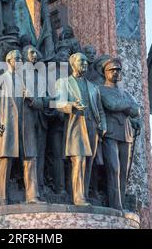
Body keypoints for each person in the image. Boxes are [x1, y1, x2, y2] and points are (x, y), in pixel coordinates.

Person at [0, 50, 44, 205]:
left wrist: (31, 98)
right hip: (7, 127)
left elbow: (40, 104)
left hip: (26, 128)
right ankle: (3, 199)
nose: (19, 61)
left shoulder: (28, 81)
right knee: (5, 162)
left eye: (20, 59)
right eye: (16, 59)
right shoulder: (0, 80)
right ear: (8, 61)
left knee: (30, 160)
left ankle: (32, 196)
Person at [55, 53, 107, 206]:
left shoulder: (93, 87)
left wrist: (102, 124)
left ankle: (83, 193)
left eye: (86, 62)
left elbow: (100, 110)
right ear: (72, 64)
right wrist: (71, 106)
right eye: (81, 61)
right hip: (76, 125)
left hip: (92, 127)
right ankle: (78, 198)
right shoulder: (63, 83)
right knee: (79, 160)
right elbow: (57, 103)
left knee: (89, 163)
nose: (84, 64)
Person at [99, 58, 141, 211]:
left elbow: (137, 110)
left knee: (124, 171)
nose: (116, 72)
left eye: (118, 70)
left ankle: (121, 204)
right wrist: (127, 106)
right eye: (112, 70)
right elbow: (111, 104)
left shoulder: (125, 93)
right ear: (105, 73)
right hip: (110, 133)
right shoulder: (101, 90)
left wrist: (126, 107)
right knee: (114, 169)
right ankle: (115, 205)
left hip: (126, 134)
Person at [22, 45, 48, 197]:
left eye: (36, 52)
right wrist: (36, 101)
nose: (35, 55)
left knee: (40, 153)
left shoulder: (40, 76)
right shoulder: (18, 75)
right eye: (31, 52)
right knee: (30, 154)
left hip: (40, 118)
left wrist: (40, 101)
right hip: (26, 117)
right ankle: (31, 192)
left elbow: (44, 98)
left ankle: (39, 186)